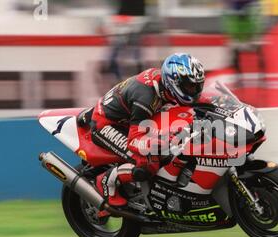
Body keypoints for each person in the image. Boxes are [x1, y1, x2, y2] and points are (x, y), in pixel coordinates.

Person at [85, 53, 205, 209]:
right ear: (174, 83)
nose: (194, 91)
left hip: (132, 120)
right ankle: (107, 180)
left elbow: (199, 102)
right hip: (107, 125)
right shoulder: (145, 97)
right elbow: (134, 140)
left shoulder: (165, 84)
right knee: (148, 163)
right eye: (190, 87)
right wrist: (162, 141)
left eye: (197, 86)